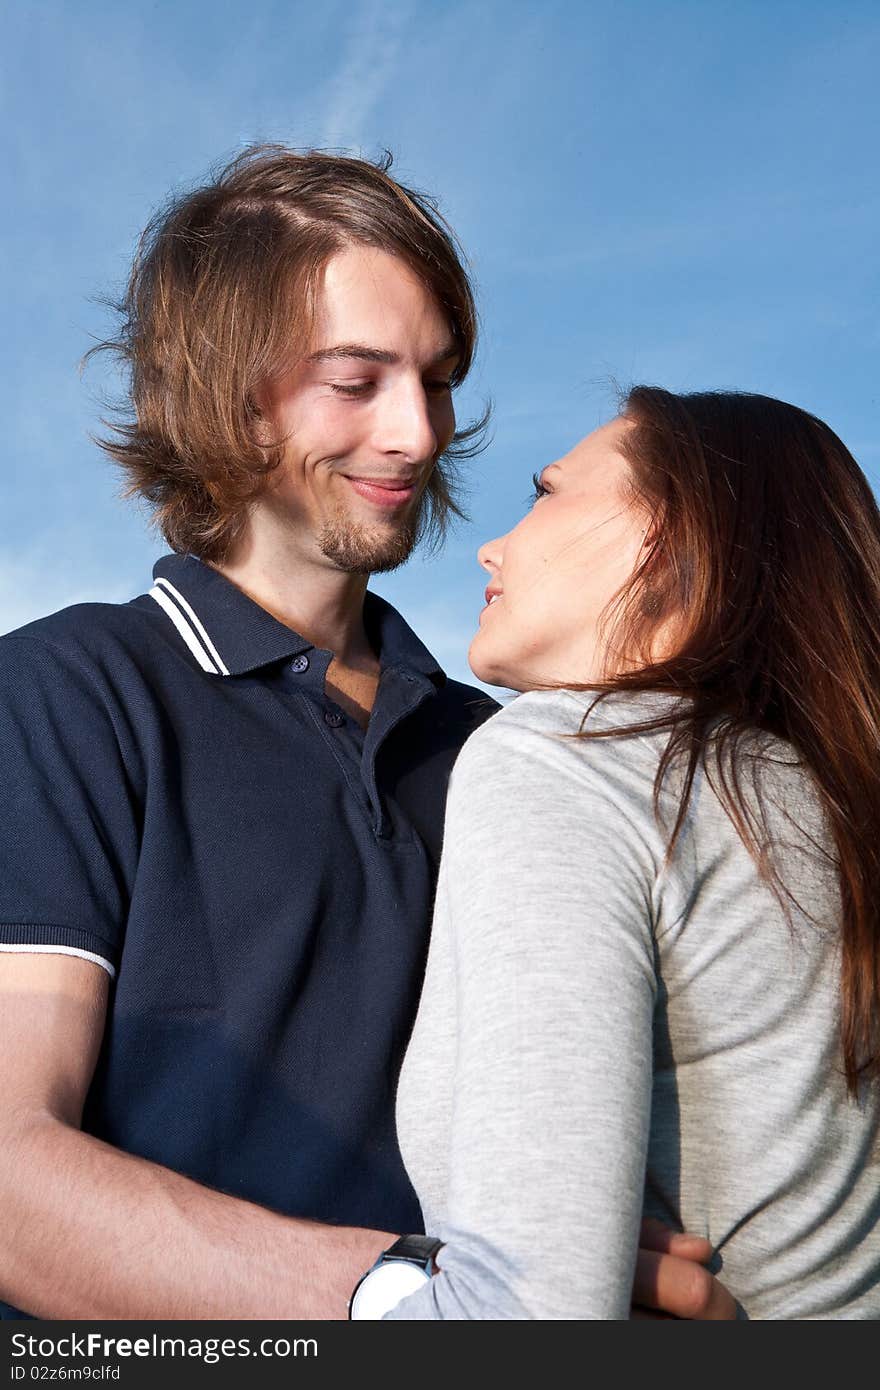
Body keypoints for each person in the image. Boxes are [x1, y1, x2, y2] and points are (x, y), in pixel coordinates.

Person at [0, 148, 728, 1321]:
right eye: (357, 379)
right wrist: (407, 1294)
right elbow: (11, 1186)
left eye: (435, 381)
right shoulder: (60, 694)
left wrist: (581, 1263)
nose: (418, 432)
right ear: (227, 386)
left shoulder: (499, 751)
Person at [385, 389, 880, 1320]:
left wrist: (377, 1293)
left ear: (666, 533)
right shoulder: (831, 800)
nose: (495, 546)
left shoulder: (559, 758)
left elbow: (525, 1317)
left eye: (546, 492)